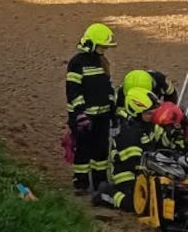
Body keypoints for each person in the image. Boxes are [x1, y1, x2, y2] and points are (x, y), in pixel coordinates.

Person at [66, 23, 117, 193]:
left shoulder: (102, 62)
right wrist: (80, 113)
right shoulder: (77, 63)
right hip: (84, 117)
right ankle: (80, 183)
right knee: (83, 150)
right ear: (91, 44)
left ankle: (100, 182)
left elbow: (107, 87)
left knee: (101, 151)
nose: (104, 50)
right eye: (102, 46)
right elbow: (73, 90)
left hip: (102, 116)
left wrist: (112, 109)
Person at [99, 87, 159, 211]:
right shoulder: (129, 131)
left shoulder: (145, 125)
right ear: (136, 111)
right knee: (135, 204)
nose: (152, 116)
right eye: (149, 113)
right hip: (125, 174)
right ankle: (106, 193)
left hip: (142, 169)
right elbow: (132, 162)